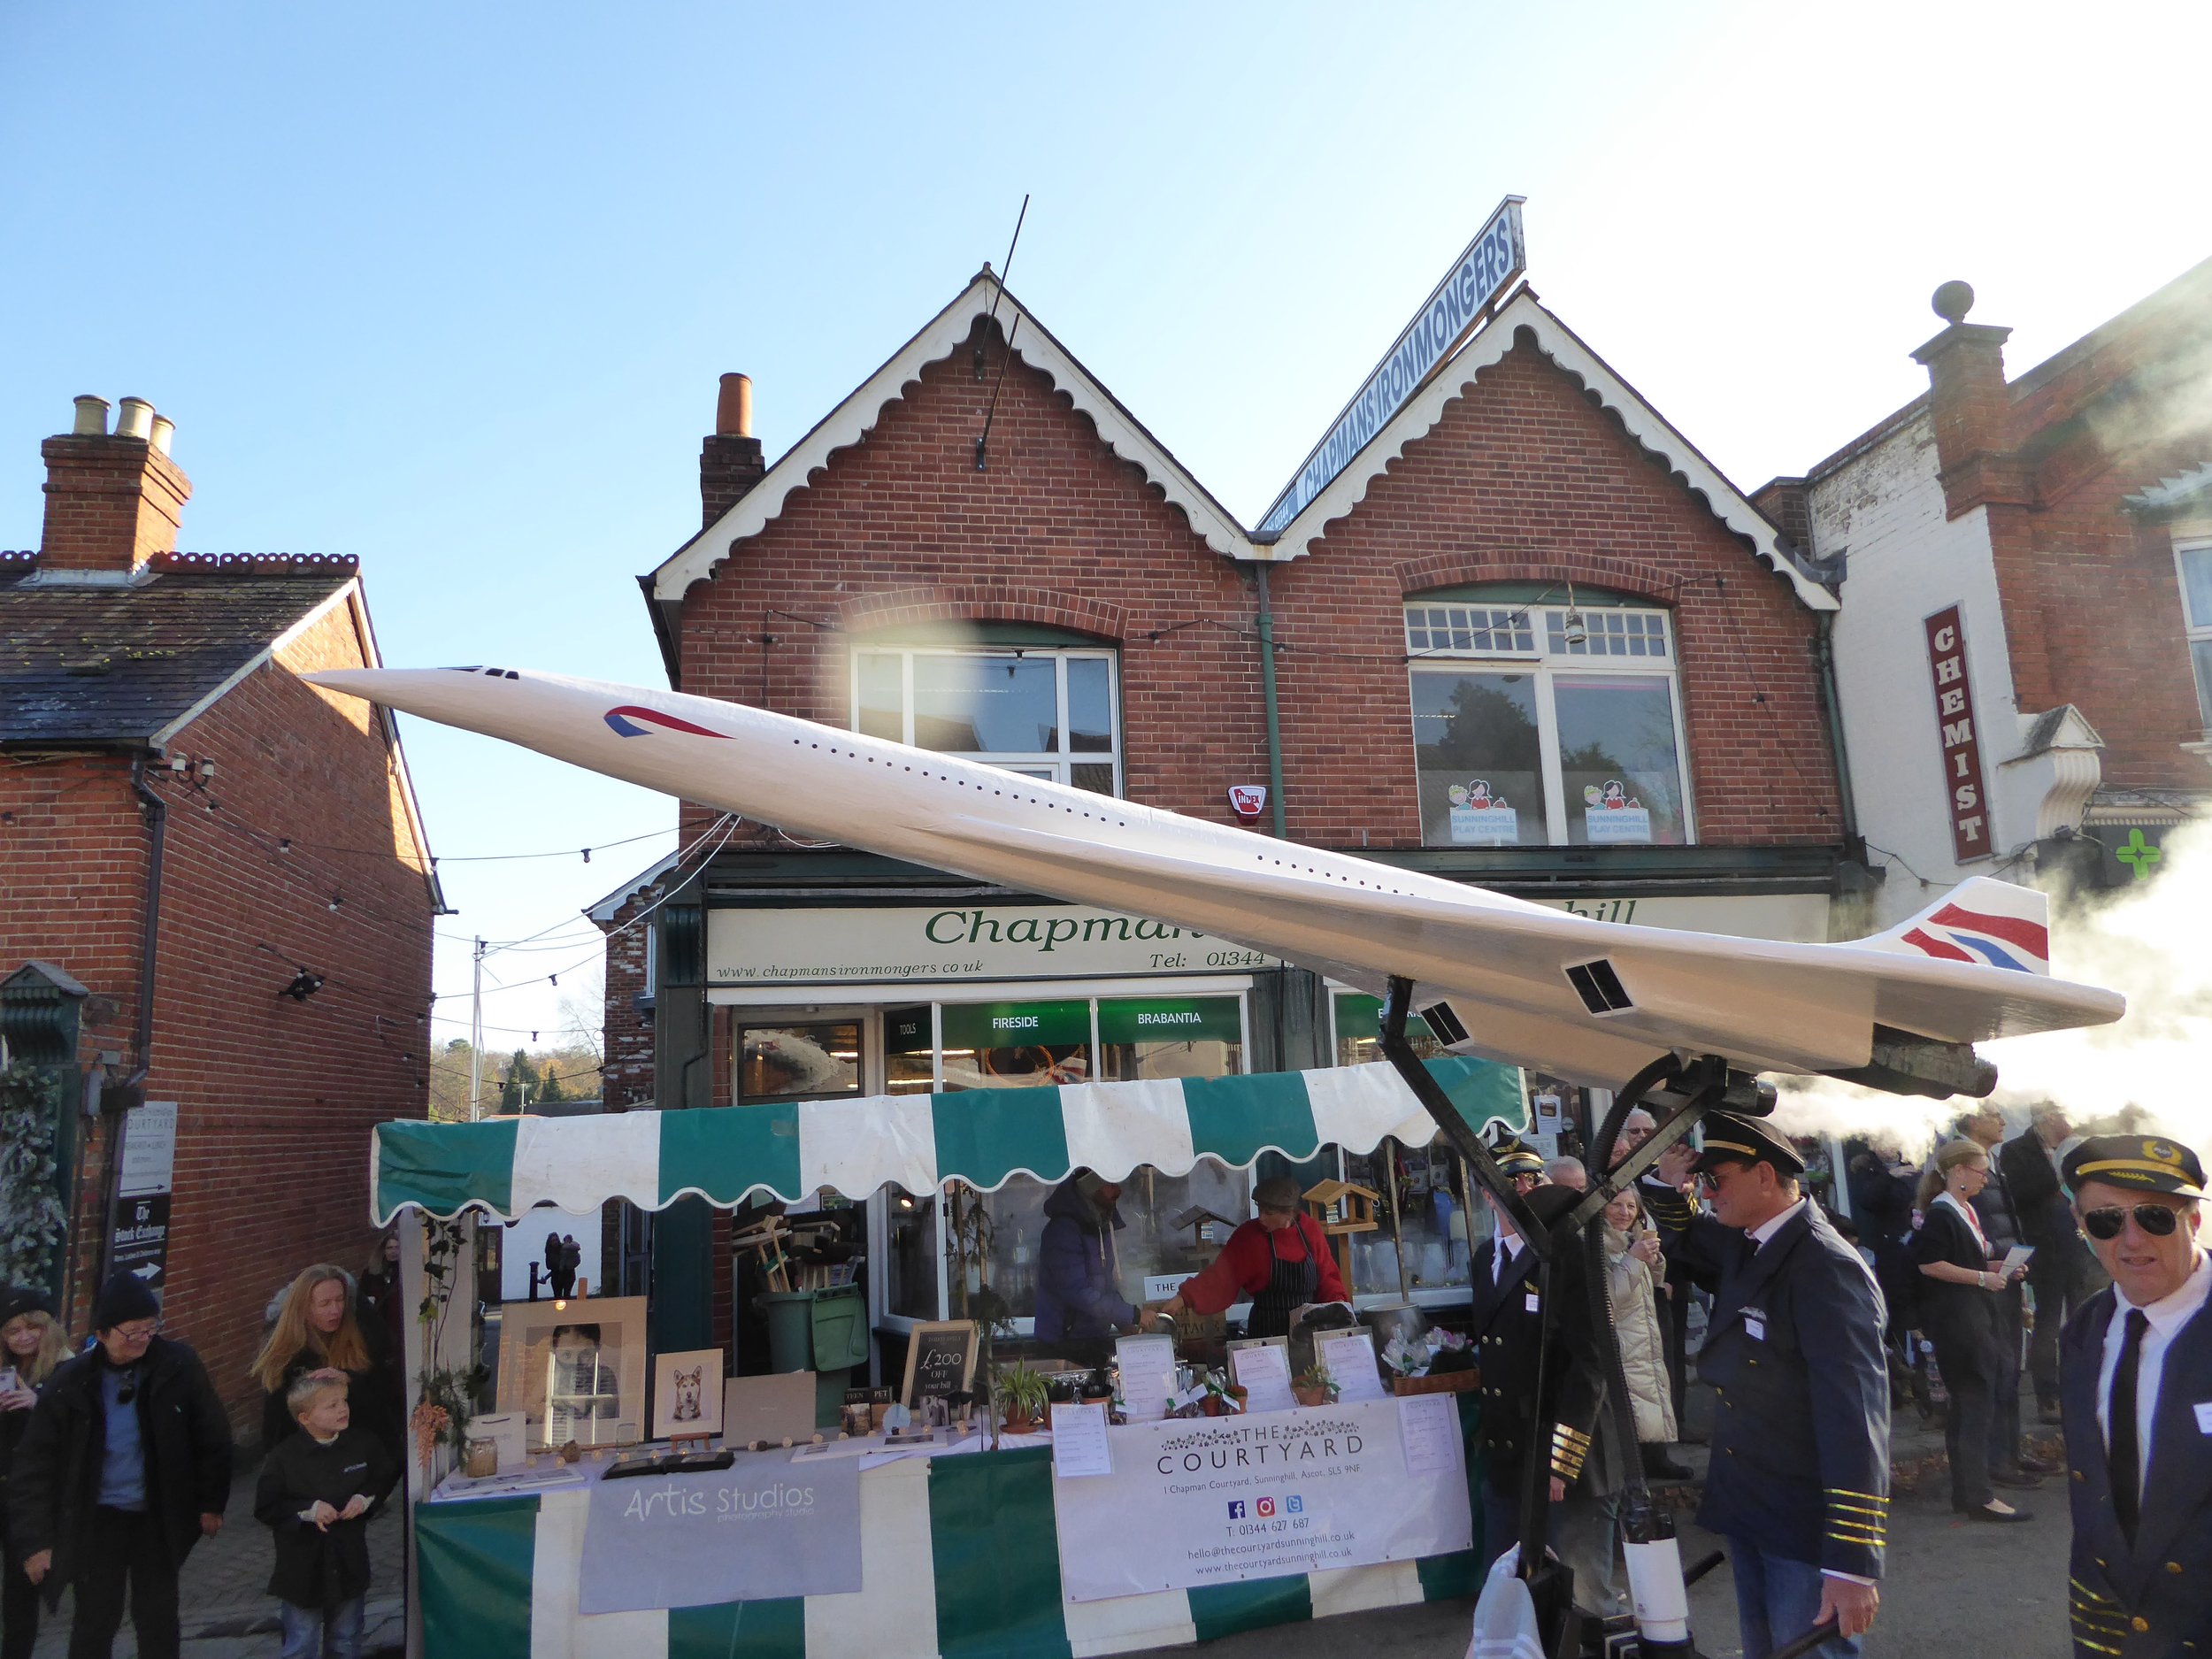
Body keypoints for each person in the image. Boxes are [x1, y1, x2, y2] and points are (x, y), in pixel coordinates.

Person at [1677, 1112, 1888, 1658]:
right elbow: (1682, 1233)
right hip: (1753, 1502)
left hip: (1801, 1520)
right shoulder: (1751, 1242)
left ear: (1765, 1176)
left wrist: (1850, 1559)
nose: (1706, 1193)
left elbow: (1856, 1419)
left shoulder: (1823, 1265)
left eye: (1715, 1180)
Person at [7, 1272, 233, 1659]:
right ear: (103, 1333)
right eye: (132, 1333)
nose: (144, 1339)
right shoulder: (71, 1382)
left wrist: (212, 1502)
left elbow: (211, 1434)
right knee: (95, 1618)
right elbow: (35, 1465)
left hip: (157, 1513)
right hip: (97, 1518)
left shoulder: (177, 1365)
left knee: (158, 1614)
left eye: (150, 1329)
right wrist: (36, 1542)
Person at [2056, 1135, 2212, 1656]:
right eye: (2105, 1221)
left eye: (2154, 1217)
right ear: (2083, 1229)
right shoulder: (2084, 1332)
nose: (2130, 1240)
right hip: (2112, 1629)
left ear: (2193, 1221)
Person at [1463, 1148, 1616, 1593]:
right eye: (1513, 1183)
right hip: (1511, 1458)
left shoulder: (1567, 1252)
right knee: (1508, 1601)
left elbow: (1591, 1362)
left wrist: (1561, 1461)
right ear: (1489, 1196)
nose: (1525, 1191)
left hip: (1564, 1460)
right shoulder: (1484, 1258)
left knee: (1581, 1603)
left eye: (1534, 1181)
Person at [1909, 1138, 2034, 1522]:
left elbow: (1962, 1259)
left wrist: (1998, 1268)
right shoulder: (1942, 1213)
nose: (1984, 1179)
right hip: (1958, 1322)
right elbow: (1928, 1264)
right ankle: (1979, 1496)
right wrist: (1983, 1278)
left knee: (1968, 1408)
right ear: (1958, 1171)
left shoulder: (1962, 1210)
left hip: (1970, 1318)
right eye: (1980, 1172)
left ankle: (1968, 1494)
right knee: (1975, 1406)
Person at [255, 1374, 397, 1659]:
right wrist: (307, 1511)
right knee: (301, 1642)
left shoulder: (363, 1443)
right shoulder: (283, 1458)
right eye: (331, 1406)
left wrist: (365, 1498)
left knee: (346, 1640)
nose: (342, 1409)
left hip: (349, 1562)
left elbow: (383, 1476)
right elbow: (266, 1507)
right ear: (305, 1418)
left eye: (344, 1401)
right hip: (302, 1570)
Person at [1960, 1106, 2052, 1482]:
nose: (2002, 1121)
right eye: (1992, 1115)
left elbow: (2004, 1219)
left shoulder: (1992, 1161)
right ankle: (1996, 1461)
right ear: (1970, 1121)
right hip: (1987, 1282)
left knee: (2011, 1370)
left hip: (2008, 1275)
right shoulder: (1965, 1160)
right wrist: (1993, 1266)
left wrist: (2017, 1258)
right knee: (1997, 1371)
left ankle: (2011, 1453)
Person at [2002, 1105, 2103, 1424]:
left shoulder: (2079, 1146)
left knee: (2085, 1320)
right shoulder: (2015, 1150)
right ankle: (2047, 1397)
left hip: (2079, 1247)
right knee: (2046, 1325)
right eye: (2064, 1117)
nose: (2070, 1123)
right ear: (2046, 1120)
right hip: (2044, 1249)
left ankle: (2084, 1390)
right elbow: (2016, 1196)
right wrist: (2056, 1176)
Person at [1157, 1175, 1348, 1340]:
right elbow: (1220, 1278)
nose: (1262, 1218)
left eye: (1269, 1213)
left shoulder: (1310, 1230)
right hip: (1268, 1335)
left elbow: (1328, 1279)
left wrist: (1340, 1310)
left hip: (1308, 1333)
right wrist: (1184, 1298)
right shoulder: (1249, 1237)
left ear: (1289, 1213)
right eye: (1260, 1210)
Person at [251, 1267, 401, 1470]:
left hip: (362, 1466)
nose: (335, 1310)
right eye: (324, 1303)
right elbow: (276, 1422)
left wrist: (350, 1382)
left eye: (340, 1300)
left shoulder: (364, 1336)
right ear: (303, 1307)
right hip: (307, 1470)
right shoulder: (284, 1352)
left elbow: (384, 1403)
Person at [1, 1287, 70, 1659]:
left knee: (20, 1590)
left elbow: (81, 1431)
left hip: (35, 1502)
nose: (23, 1337)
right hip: (6, 1489)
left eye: (32, 1327)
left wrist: (37, 1404)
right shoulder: (6, 1372)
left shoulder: (68, 1369)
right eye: (12, 1331)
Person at [1033, 1172, 1154, 1357]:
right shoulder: (1063, 1231)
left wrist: (1124, 1323)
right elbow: (1078, 1292)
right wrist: (1133, 1315)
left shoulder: (1099, 1224)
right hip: (1062, 1344)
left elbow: (1104, 1285)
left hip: (1091, 1338)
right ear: (1091, 1187)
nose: (1118, 1191)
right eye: (1111, 1184)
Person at [1602, 1189, 1679, 1458]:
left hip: (1644, 1338)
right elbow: (1609, 1298)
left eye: (1631, 1206)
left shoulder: (1631, 1240)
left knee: (1649, 1399)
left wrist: (1655, 1262)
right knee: (1628, 1411)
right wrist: (1634, 1260)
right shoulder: (1595, 1244)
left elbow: (1652, 1285)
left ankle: (1655, 1458)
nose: (1625, 1212)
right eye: (1616, 1205)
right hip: (1623, 1342)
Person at [354, 1230, 404, 1368]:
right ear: (383, 1250)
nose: (394, 1251)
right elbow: (362, 1298)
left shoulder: (405, 1271)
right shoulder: (371, 1272)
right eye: (390, 1248)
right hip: (378, 1324)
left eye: (397, 1247)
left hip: (399, 1325)